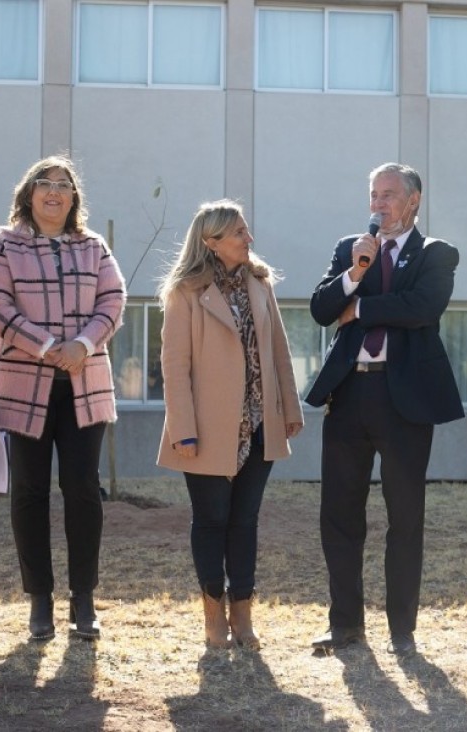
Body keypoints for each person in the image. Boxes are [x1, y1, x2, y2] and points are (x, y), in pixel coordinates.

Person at [306, 162, 463, 655]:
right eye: (373, 194)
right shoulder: (349, 249)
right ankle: (345, 625)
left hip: (405, 401)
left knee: (405, 518)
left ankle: (402, 630)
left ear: (413, 200)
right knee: (340, 515)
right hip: (350, 394)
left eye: (389, 194)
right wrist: (355, 273)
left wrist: (363, 309)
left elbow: (422, 308)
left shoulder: (436, 253)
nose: (378, 204)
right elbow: (319, 309)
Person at [0, 156, 126, 642]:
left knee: (83, 487)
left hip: (85, 382)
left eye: (65, 185)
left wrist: (81, 345)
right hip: (24, 384)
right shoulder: (1, 245)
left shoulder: (93, 247)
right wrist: (46, 346)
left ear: (74, 198)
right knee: (30, 491)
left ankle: (83, 598)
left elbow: (113, 299)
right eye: (46, 184)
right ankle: (39, 598)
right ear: (29, 193)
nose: (55, 192)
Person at [156, 200, 304, 650]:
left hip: (260, 424)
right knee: (211, 520)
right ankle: (212, 615)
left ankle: (243, 614)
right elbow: (174, 366)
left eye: (246, 230)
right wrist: (183, 427)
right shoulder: (185, 291)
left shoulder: (260, 283)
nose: (249, 238)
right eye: (239, 232)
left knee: (245, 521)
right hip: (204, 428)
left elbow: (279, 349)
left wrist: (290, 409)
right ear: (212, 242)